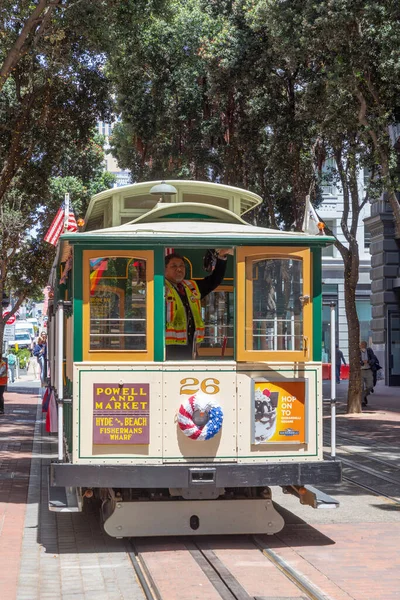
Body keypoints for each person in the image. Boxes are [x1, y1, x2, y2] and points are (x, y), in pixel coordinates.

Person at [165, 250, 230, 360]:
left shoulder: (191, 286)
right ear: (164, 269)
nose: (179, 269)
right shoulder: (160, 288)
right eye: (174, 266)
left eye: (181, 266)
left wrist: (221, 257)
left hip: (192, 347)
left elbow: (215, 280)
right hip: (168, 349)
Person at [359, 341, 378, 406]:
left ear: (366, 345)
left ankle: (363, 396)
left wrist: (369, 361)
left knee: (370, 386)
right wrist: (362, 362)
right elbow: (356, 360)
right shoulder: (358, 352)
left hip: (369, 370)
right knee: (360, 387)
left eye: (364, 344)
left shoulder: (369, 350)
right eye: (362, 344)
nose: (363, 346)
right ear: (360, 345)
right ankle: (362, 401)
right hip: (360, 371)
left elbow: (373, 359)